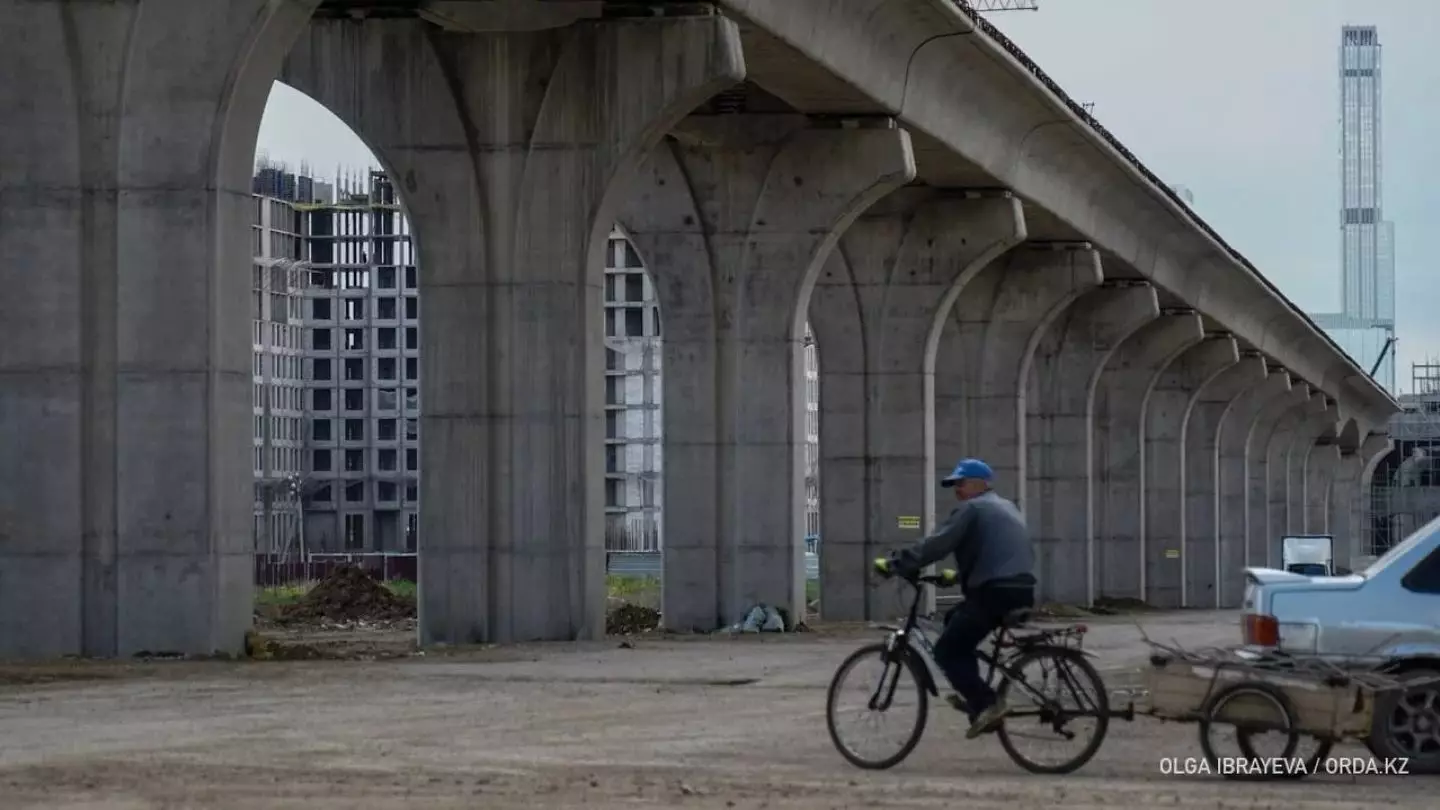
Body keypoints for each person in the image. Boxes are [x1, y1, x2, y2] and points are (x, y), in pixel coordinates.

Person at [886, 457, 1036, 739]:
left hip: (994, 592)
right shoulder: (1007, 507)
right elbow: (998, 552)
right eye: (954, 484)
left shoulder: (972, 509)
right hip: (1021, 588)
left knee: (946, 650)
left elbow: (937, 544)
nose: (956, 489)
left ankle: (987, 703)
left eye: (961, 483)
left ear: (980, 484)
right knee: (956, 621)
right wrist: (955, 577)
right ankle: (974, 694)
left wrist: (899, 563)